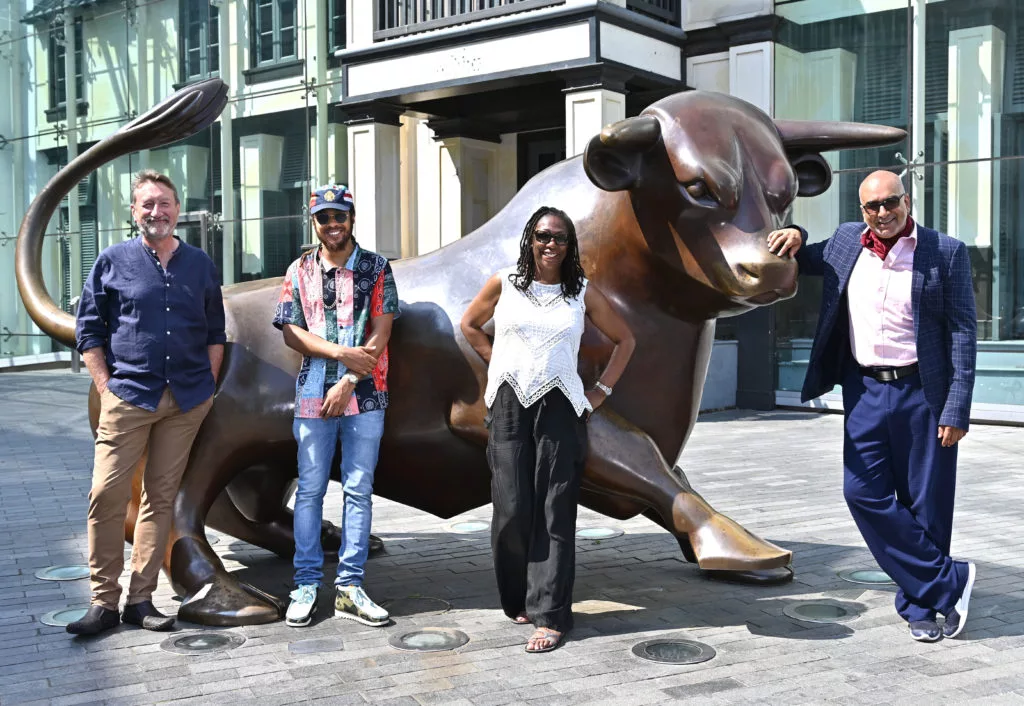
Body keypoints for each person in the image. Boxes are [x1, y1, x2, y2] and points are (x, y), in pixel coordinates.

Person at [767, 170, 977, 643]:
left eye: (890, 203)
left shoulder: (945, 252)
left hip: (924, 392)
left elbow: (963, 332)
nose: (882, 214)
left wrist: (956, 408)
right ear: (861, 210)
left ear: (908, 202)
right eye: (872, 206)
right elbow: (809, 255)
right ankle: (950, 582)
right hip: (863, 390)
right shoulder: (847, 242)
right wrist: (797, 233)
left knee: (926, 503)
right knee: (861, 492)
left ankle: (921, 605)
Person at [461, 206, 635, 653]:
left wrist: (600, 392)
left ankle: (552, 614)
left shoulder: (582, 292)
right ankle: (518, 596)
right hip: (508, 407)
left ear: (570, 245)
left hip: (561, 408)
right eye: (542, 236)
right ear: (529, 239)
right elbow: (469, 325)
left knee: (555, 512)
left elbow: (626, 340)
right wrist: (497, 362)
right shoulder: (506, 283)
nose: (550, 244)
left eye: (559, 237)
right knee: (512, 508)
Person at [69, 170, 225, 635]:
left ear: (177, 209)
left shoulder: (199, 263)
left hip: (185, 402)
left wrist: (208, 386)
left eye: (164, 203)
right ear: (134, 212)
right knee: (106, 497)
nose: (156, 212)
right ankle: (103, 602)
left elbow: (215, 331)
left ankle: (140, 601)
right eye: (147, 205)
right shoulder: (112, 260)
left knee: (160, 499)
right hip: (129, 397)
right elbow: (88, 331)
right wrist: (105, 386)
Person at [274, 184, 398, 628]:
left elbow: (381, 333)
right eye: (324, 217)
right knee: (309, 491)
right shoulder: (299, 269)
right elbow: (291, 331)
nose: (332, 225)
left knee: (358, 491)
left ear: (352, 217)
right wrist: (340, 354)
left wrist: (348, 378)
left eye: (339, 216)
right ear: (315, 222)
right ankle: (306, 583)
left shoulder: (377, 268)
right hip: (311, 397)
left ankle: (350, 586)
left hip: (365, 396)